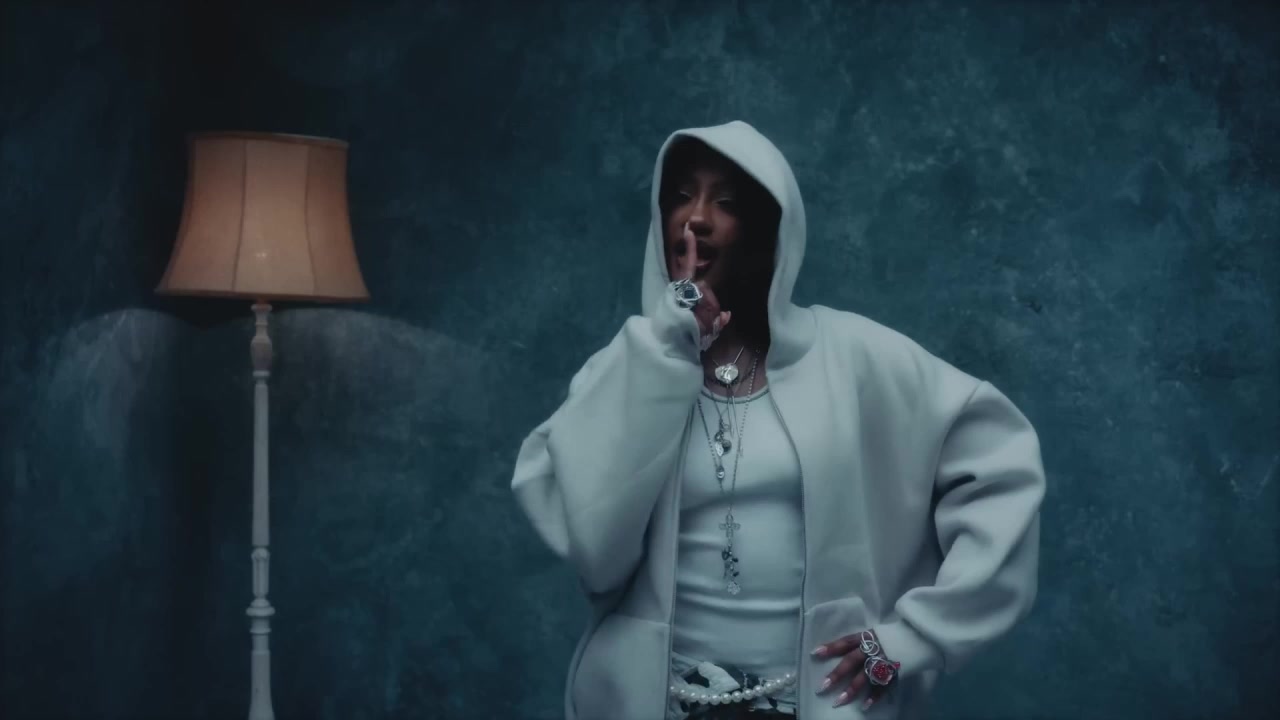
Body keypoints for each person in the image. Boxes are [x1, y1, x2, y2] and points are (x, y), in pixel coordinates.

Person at [511, 120, 1046, 720]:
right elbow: (596, 553)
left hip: (817, 703)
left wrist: (915, 637)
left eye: (726, 203)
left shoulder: (854, 356)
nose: (696, 219)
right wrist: (664, 349)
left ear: (769, 231)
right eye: (681, 196)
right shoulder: (625, 370)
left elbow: (1000, 470)